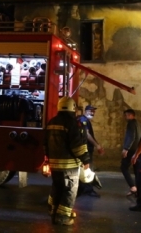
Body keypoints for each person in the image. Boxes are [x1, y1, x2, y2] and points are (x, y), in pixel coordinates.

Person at [44, 97, 91, 226]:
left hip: (54, 165)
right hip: (69, 166)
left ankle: (54, 212)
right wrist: (86, 160)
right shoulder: (72, 123)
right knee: (69, 190)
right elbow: (77, 145)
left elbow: (45, 144)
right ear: (72, 107)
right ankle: (63, 217)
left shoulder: (52, 122)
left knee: (57, 188)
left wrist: (48, 159)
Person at [76, 105, 104, 197]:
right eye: (91, 111)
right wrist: (97, 146)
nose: (92, 113)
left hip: (85, 149)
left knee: (84, 169)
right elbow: (87, 135)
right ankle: (88, 190)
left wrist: (97, 144)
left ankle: (81, 189)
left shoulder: (84, 120)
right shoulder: (83, 120)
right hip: (85, 150)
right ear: (86, 111)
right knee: (87, 170)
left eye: (93, 111)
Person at [121, 109, 141, 196]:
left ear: (131, 115)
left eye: (127, 115)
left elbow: (131, 136)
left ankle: (133, 187)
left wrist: (126, 149)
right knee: (137, 170)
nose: (125, 117)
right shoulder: (139, 124)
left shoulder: (131, 123)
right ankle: (139, 191)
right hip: (137, 150)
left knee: (124, 167)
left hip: (131, 150)